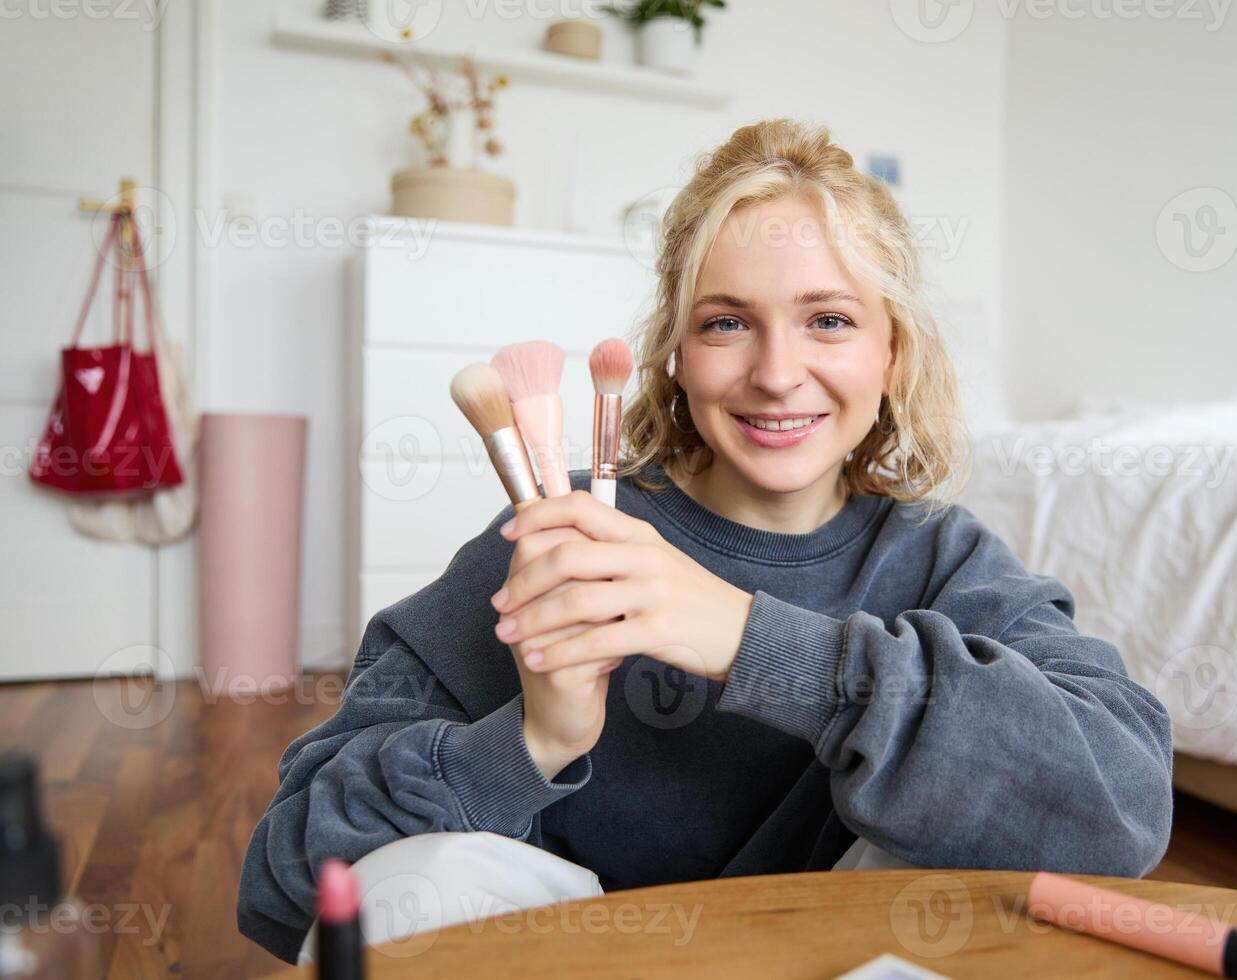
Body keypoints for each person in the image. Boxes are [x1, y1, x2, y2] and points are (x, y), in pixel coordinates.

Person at [237, 118, 1174, 962]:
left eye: (830, 321)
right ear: (676, 356)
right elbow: (291, 873)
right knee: (410, 888)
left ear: (893, 353)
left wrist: (742, 635)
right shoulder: (552, 540)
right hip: (582, 955)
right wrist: (531, 742)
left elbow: (1123, 809)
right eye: (727, 323)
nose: (776, 373)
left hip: (826, 951)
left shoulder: (944, 561)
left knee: (977, 856)